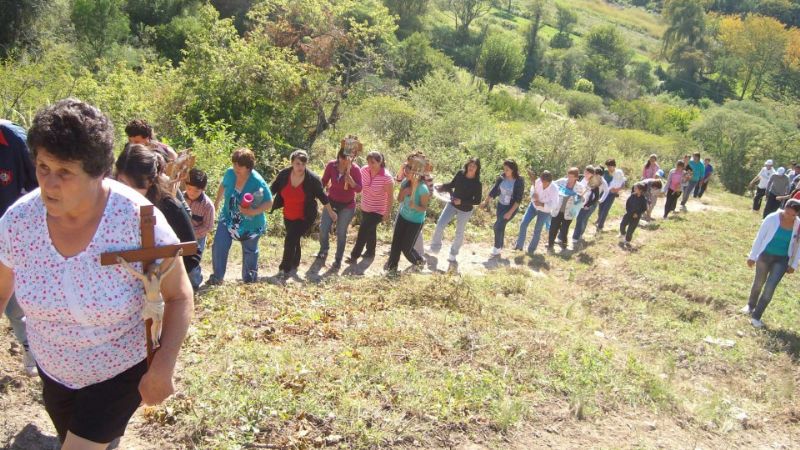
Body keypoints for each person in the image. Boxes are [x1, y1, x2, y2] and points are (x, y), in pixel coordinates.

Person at [0, 98, 193, 447]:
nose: (49, 183)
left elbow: (179, 296)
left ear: (97, 173)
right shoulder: (19, 222)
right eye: (43, 167)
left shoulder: (137, 220)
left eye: (65, 172)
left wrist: (163, 366)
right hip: (54, 372)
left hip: (119, 369)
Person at [115, 144, 201, 278]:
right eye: (123, 183)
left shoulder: (169, 207)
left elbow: (192, 253)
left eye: (137, 185)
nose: (129, 192)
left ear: (150, 182)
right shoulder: (108, 204)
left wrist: (162, 277)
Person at [0, 120, 38, 376]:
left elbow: (40, 187)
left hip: (13, 239)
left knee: (15, 304)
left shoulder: (14, 140)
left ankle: (30, 349)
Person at [208, 148, 273, 285]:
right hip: (228, 217)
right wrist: (217, 202)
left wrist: (252, 212)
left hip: (250, 224)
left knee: (250, 251)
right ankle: (217, 278)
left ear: (248, 167)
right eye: (234, 164)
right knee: (219, 245)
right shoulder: (230, 173)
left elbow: (269, 202)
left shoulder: (257, 181)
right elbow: (223, 185)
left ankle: (249, 280)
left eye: (240, 165)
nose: (236, 167)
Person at [271, 150, 336, 278]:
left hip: (305, 216)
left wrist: (331, 212)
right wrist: (261, 199)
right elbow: (272, 189)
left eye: (303, 164)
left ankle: (284, 269)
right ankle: (295, 262)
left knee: (290, 239)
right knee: (294, 239)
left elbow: (323, 196)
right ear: (292, 163)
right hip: (288, 214)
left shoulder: (312, 179)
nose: (300, 167)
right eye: (297, 163)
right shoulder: (284, 175)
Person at [743, 199, 800, 328]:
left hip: (782, 260)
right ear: (784, 208)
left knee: (770, 288)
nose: (789, 216)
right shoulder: (772, 218)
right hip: (765, 255)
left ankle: (756, 317)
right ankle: (750, 306)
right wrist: (752, 256)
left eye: (793, 215)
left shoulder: (798, 225)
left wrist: (793, 264)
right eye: (787, 212)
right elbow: (760, 237)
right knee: (758, 282)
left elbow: (798, 246)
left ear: (797, 214)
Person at [429, 157, 483, 263]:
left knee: (459, 232)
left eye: (474, 166)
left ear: (477, 169)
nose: (471, 168)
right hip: (452, 204)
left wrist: (462, 202)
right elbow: (452, 185)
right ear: (467, 165)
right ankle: (435, 248)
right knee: (440, 224)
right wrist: (442, 187)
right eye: (470, 165)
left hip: (465, 210)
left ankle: (453, 253)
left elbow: (477, 201)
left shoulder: (477, 184)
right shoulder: (460, 174)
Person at [318, 144, 363, 269]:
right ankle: (324, 249)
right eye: (342, 158)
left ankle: (338, 259)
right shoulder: (331, 165)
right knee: (323, 228)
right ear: (338, 157)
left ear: (351, 158)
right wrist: (318, 191)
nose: (344, 161)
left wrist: (351, 182)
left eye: (347, 159)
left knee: (341, 232)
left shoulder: (355, 169)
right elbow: (324, 181)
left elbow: (359, 189)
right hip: (331, 202)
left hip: (347, 205)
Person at [386, 152, 431, 273]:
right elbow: (399, 200)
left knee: (406, 248)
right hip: (403, 216)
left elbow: (424, 208)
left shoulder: (423, 189)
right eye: (407, 167)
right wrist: (404, 192)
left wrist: (415, 206)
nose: (406, 170)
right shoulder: (405, 182)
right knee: (396, 244)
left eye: (409, 168)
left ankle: (419, 262)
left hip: (415, 222)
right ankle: (392, 269)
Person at [348, 151, 393, 264]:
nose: (370, 165)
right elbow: (357, 181)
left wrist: (387, 212)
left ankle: (354, 255)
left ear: (380, 162)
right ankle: (370, 252)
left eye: (373, 162)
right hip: (366, 206)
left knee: (363, 230)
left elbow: (390, 197)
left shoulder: (387, 177)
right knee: (370, 230)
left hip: (378, 210)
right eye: (368, 162)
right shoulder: (364, 170)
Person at [481, 159, 524, 258]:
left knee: (497, 226)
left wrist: (510, 212)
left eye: (507, 170)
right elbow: (494, 190)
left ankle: (496, 248)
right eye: (504, 169)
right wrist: (485, 201)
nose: (505, 171)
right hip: (501, 206)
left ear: (513, 170)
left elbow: (518, 200)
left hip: (510, 208)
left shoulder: (519, 181)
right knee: (501, 226)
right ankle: (500, 246)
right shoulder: (502, 177)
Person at [183, 169, 215, 290]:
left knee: (193, 263)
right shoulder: (180, 197)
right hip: (180, 235)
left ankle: (195, 283)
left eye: (196, 191)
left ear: (203, 189)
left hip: (198, 238)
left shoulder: (207, 205)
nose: (191, 193)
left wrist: (191, 234)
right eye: (189, 189)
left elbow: (208, 226)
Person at [515, 170, 559, 254]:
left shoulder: (555, 189)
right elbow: (532, 189)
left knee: (537, 229)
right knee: (523, 223)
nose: (543, 184)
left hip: (545, 211)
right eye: (542, 182)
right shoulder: (538, 181)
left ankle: (531, 250)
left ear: (550, 182)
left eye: (545, 183)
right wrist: (533, 196)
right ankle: (519, 246)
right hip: (533, 207)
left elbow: (554, 204)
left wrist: (542, 204)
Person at [548, 167, 585, 250]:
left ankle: (564, 243)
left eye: (571, 177)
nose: (569, 178)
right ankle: (550, 244)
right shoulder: (561, 181)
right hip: (557, 209)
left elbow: (582, 201)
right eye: (568, 176)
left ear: (576, 177)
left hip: (569, 212)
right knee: (553, 228)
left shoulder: (580, 187)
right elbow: (551, 185)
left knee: (564, 230)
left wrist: (580, 198)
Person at [572, 166, 608, 245]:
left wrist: (599, 201)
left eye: (588, 173)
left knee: (582, 219)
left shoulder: (597, 183)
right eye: (585, 172)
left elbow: (602, 193)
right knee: (580, 219)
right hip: (579, 202)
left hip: (590, 204)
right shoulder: (582, 178)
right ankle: (578, 234)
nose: (586, 174)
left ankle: (576, 236)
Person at [595, 159, 626, 233]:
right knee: (601, 207)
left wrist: (617, 189)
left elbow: (623, 183)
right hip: (603, 192)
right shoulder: (605, 172)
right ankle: (599, 219)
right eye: (608, 166)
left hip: (612, 194)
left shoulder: (618, 173)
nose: (609, 168)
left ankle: (600, 226)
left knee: (605, 209)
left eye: (610, 166)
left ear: (614, 166)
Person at [619, 182, 648, 247]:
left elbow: (644, 208)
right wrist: (629, 211)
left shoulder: (643, 199)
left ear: (640, 190)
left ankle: (627, 241)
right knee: (622, 225)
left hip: (636, 217)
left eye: (636, 188)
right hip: (628, 214)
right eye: (634, 188)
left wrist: (637, 214)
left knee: (631, 229)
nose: (634, 189)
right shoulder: (632, 196)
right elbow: (627, 204)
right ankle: (623, 234)